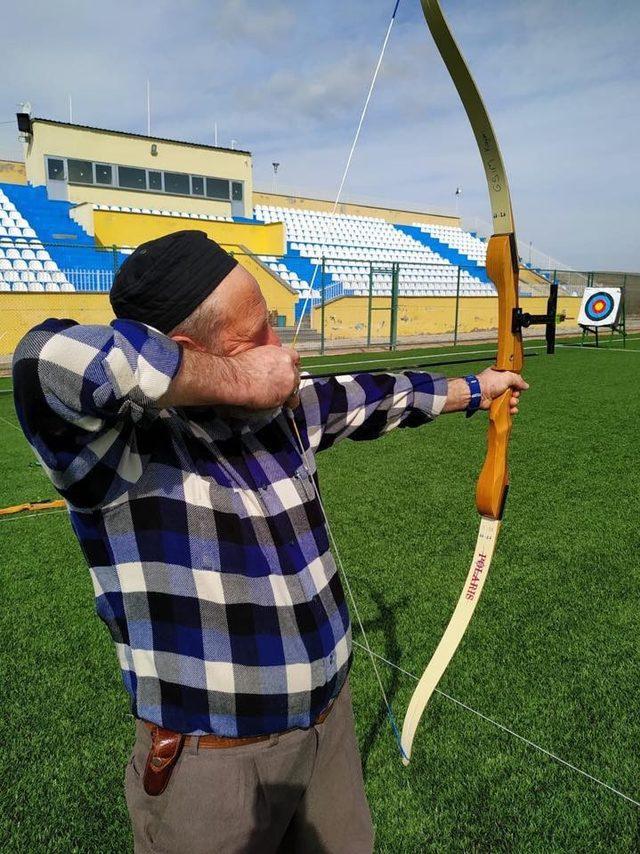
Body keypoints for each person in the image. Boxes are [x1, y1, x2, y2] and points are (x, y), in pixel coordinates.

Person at [12, 231, 527, 854]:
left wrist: (479, 388)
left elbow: (372, 397)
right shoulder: (116, 449)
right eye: (257, 337)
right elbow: (45, 358)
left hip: (327, 728)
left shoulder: (283, 410)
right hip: (213, 764)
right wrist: (240, 379)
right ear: (189, 351)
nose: (282, 354)